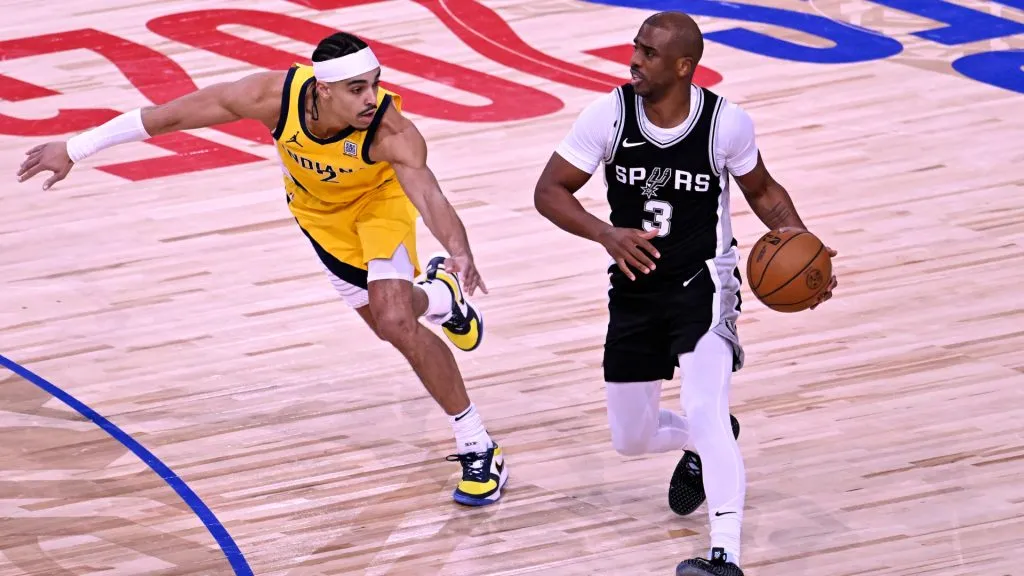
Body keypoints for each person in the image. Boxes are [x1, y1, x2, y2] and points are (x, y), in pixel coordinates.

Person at [17, 32, 509, 508]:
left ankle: (477, 445)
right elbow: (166, 117)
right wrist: (76, 148)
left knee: (397, 322)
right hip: (319, 218)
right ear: (323, 89)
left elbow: (429, 196)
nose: (372, 98)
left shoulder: (391, 131)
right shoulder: (270, 97)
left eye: (376, 84)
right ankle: (442, 296)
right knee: (386, 325)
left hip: (379, 209)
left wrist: (459, 249)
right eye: (358, 89)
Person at [533, 11, 837, 576]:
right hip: (633, 290)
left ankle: (725, 555)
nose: (634, 60)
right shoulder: (609, 115)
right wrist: (605, 232)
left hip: (704, 284)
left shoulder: (726, 124)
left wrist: (807, 251)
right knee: (631, 437)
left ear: (683, 66)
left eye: (648, 53)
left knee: (706, 406)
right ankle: (703, 443)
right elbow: (549, 191)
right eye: (635, 48)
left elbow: (765, 194)